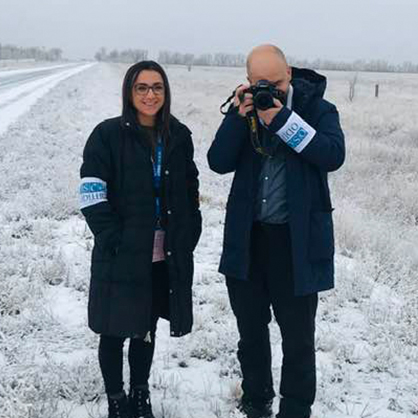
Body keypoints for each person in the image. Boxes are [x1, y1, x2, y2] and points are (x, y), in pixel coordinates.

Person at [207, 45, 345, 418]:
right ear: (250, 82)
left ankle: (296, 409)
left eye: (279, 82)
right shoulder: (246, 112)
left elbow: (333, 155)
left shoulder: (318, 109)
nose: (273, 90)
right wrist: (239, 117)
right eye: (262, 84)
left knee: (298, 337)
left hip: (296, 243)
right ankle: (256, 400)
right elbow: (217, 162)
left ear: (291, 73)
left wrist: (283, 119)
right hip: (248, 240)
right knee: (251, 332)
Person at [80, 61, 202, 418]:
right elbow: (91, 192)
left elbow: (191, 189)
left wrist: (190, 230)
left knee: (145, 328)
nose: (150, 95)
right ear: (129, 93)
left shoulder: (178, 136)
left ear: (166, 92)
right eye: (142, 88)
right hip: (120, 250)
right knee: (114, 328)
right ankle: (117, 401)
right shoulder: (107, 135)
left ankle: (140, 393)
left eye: (157, 87)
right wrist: (111, 237)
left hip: (163, 251)